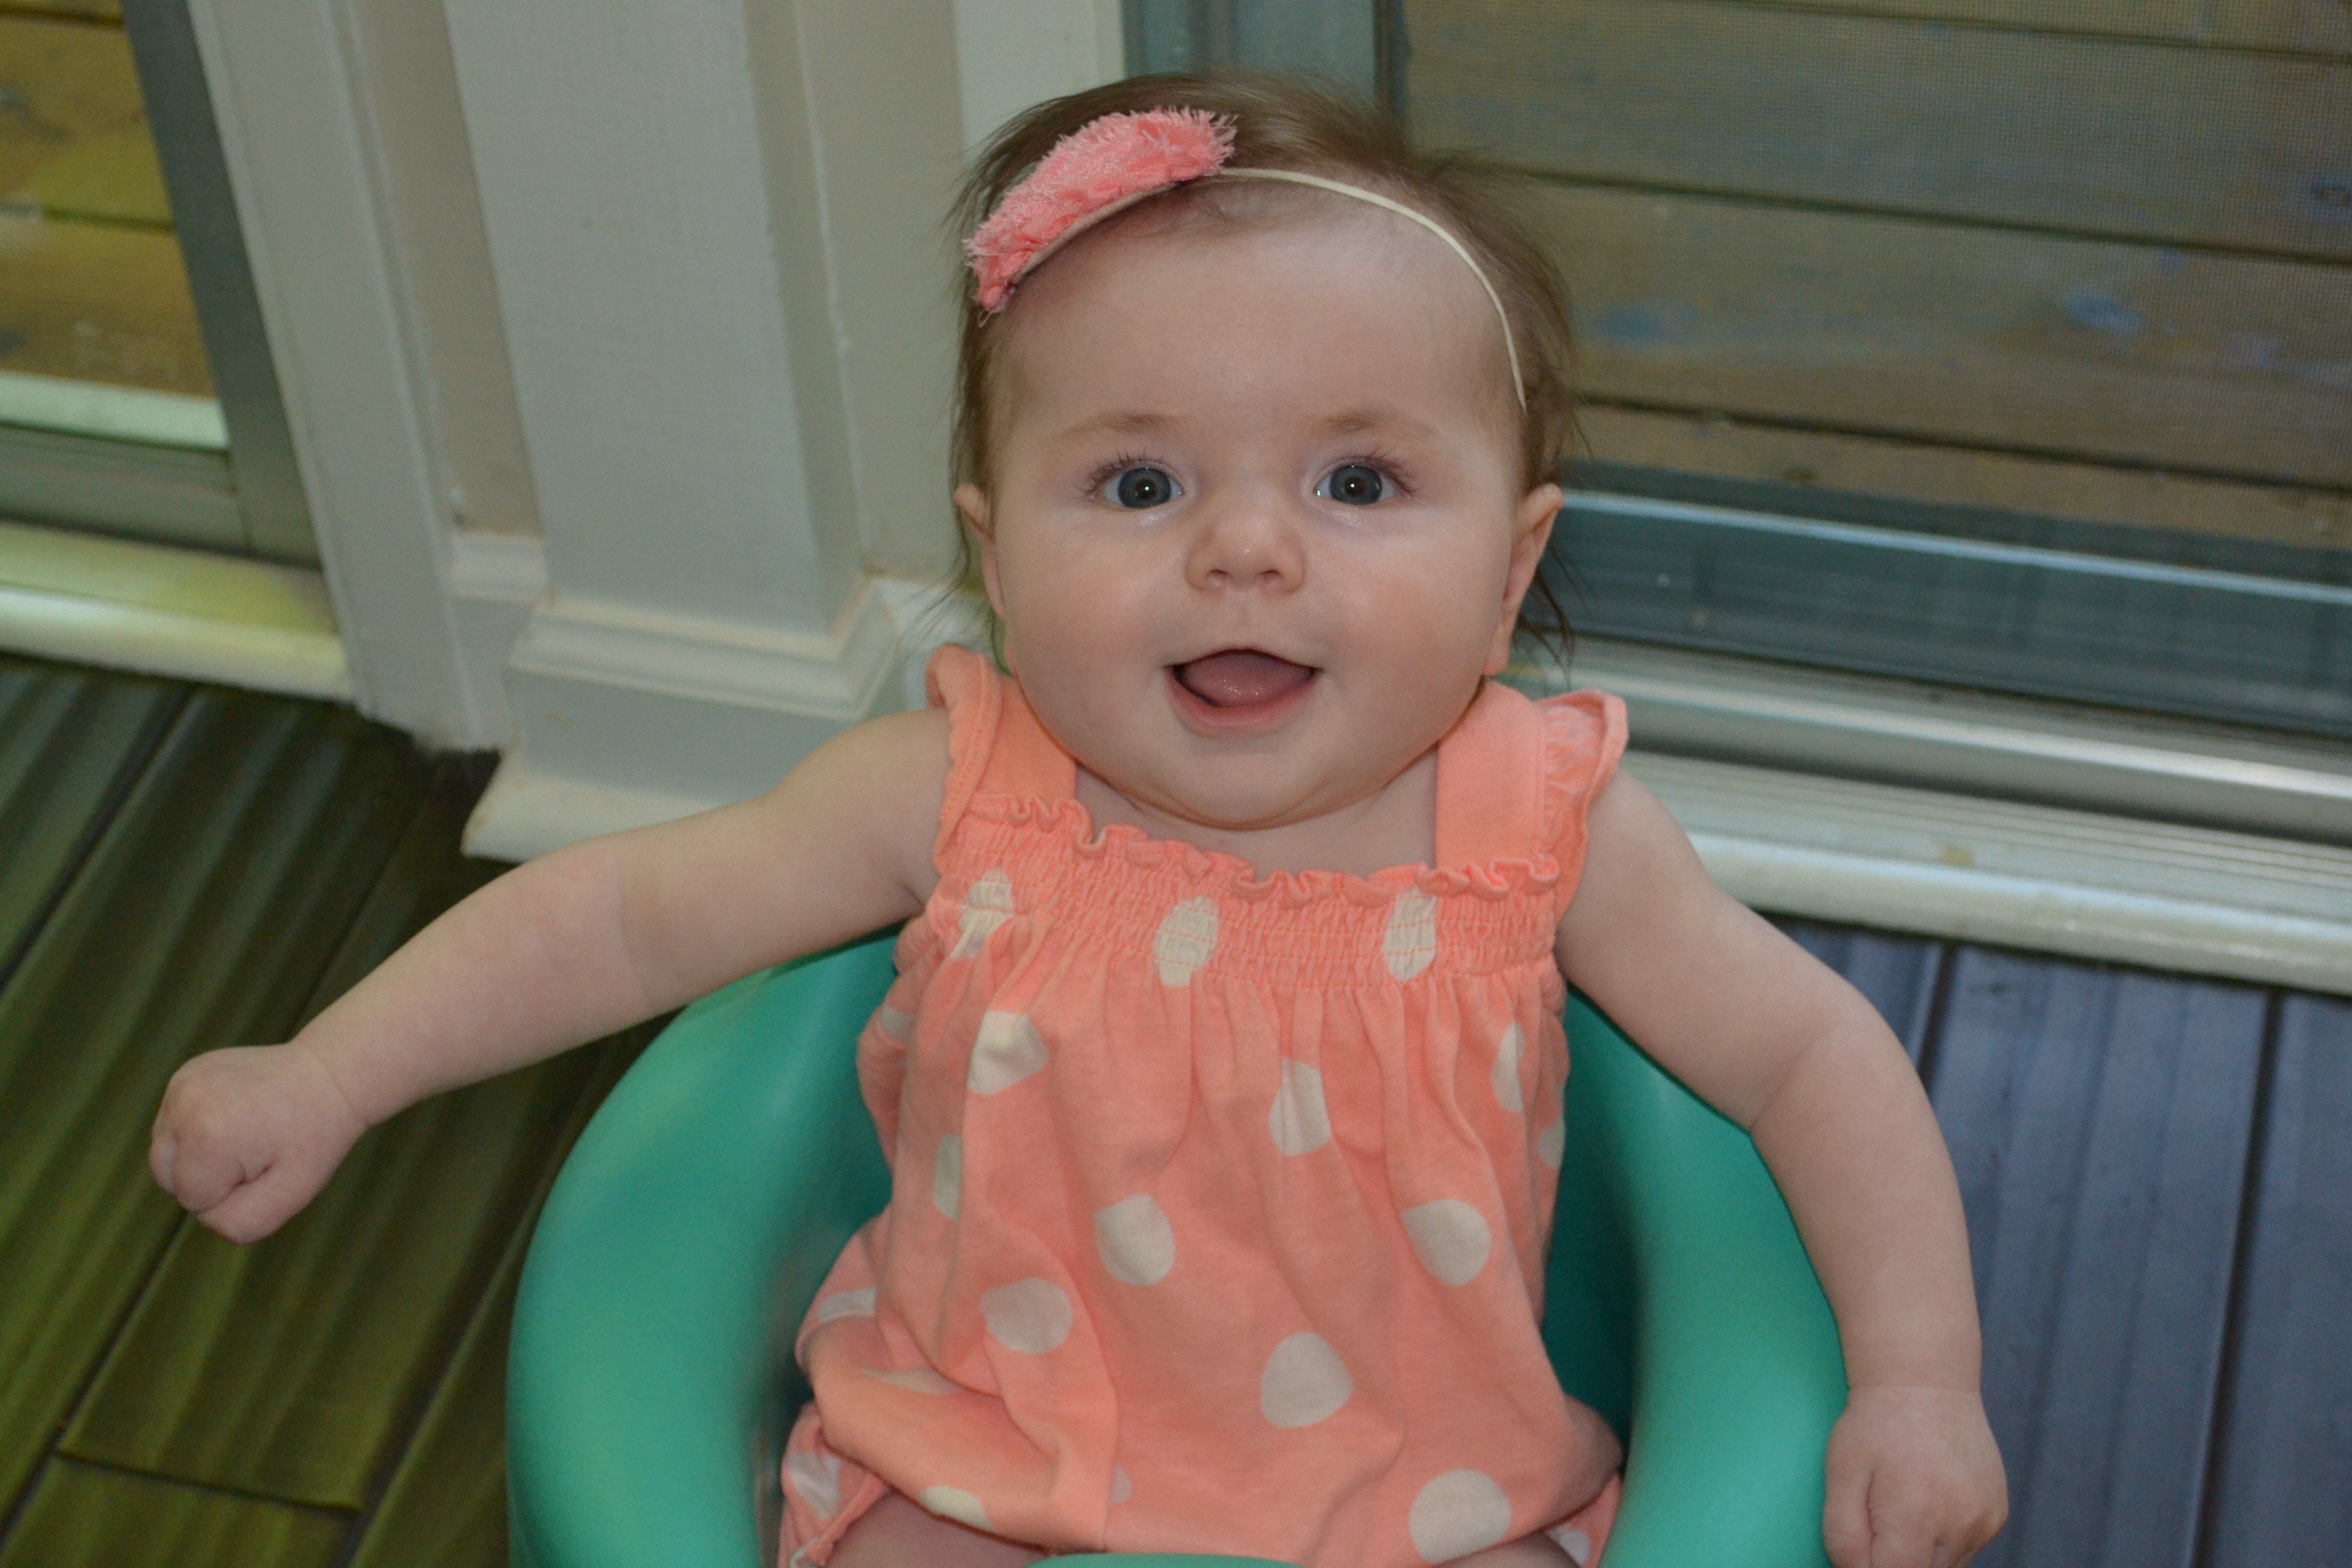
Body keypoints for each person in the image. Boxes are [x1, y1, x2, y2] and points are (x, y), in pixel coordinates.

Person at [149, 75, 2006, 1568]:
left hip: (1427, 1507)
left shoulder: (1541, 832)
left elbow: (1810, 1062)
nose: (1247, 548)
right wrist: (331, 1073)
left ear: (1510, 572)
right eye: (1136, 484)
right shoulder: (954, 797)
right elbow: (621, 921)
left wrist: (1919, 1384)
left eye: (1361, 481)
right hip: (972, 1472)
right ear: (997, 556)